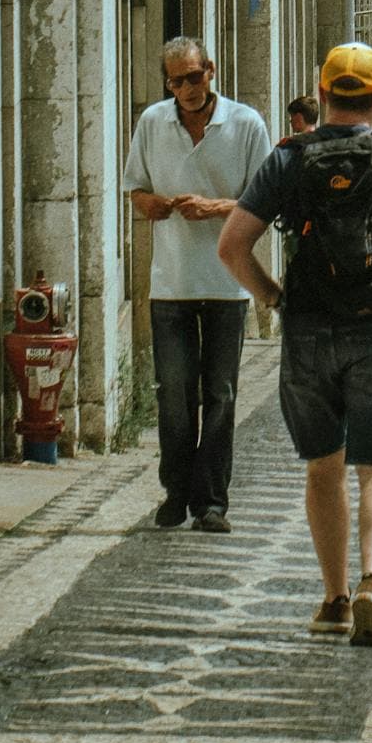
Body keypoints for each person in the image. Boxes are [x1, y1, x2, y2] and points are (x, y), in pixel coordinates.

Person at [219, 43, 372, 644]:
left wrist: (274, 297)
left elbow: (231, 247)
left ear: (324, 93)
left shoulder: (288, 160)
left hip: (308, 331)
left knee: (323, 468)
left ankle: (332, 599)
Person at [122, 38, 270, 535]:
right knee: (174, 394)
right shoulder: (152, 123)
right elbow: (135, 188)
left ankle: (212, 501)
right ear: (167, 82)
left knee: (221, 394)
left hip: (228, 283)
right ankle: (175, 493)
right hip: (172, 282)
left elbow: (262, 198)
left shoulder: (246, 124)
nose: (186, 88)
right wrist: (151, 204)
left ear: (211, 71)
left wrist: (214, 207)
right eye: (176, 80)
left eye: (193, 77)